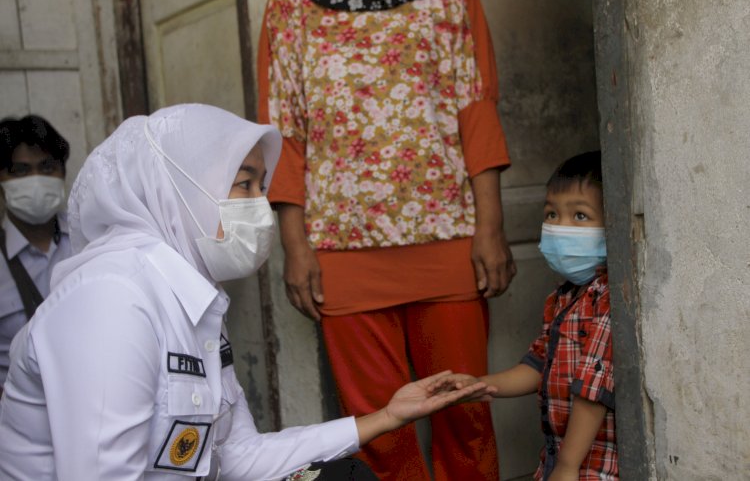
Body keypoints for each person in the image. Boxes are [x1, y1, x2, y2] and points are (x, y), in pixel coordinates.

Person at [0, 104, 493, 480]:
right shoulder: (111, 301)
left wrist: (386, 416)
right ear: (180, 192)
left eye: (262, 186)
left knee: (344, 475)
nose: (261, 207)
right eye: (244, 185)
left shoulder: (189, 295)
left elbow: (235, 455)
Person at [258, 0, 515, 478]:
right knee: (380, 433)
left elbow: (475, 104)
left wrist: (491, 226)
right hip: (339, 247)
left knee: (466, 416)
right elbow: (283, 123)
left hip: (449, 237)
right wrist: (294, 245)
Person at [435, 151, 618, 480]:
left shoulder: (607, 299)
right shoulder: (562, 297)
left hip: (592, 467)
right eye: (551, 213)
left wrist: (567, 466)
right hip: (558, 459)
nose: (559, 227)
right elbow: (538, 365)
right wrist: (480, 385)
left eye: (579, 216)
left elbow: (593, 390)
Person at [0, 115, 71, 392]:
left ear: (62, 173)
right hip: (21, 420)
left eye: (47, 167)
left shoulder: (90, 239)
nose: (36, 180)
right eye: (19, 170)